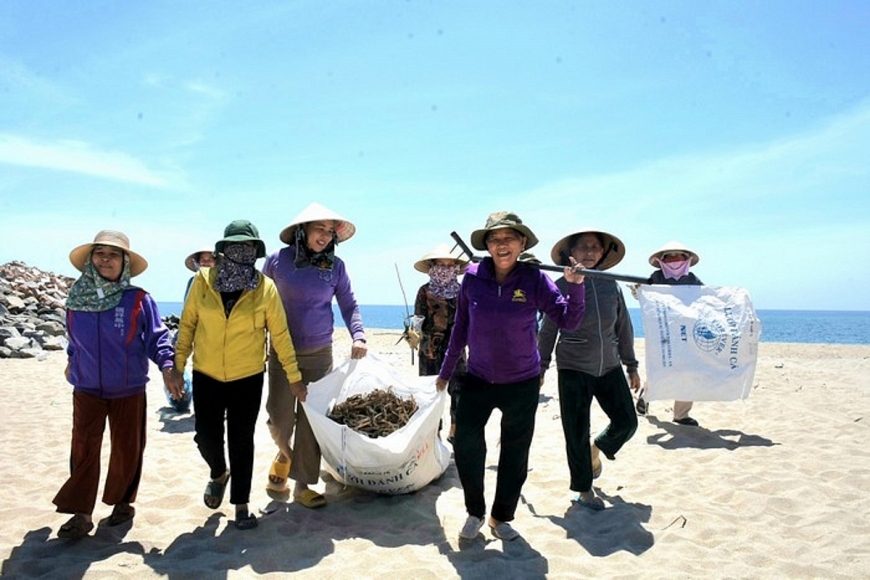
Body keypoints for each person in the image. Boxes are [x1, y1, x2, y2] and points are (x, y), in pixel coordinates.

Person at [436, 211, 586, 542]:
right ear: (487, 245)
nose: (501, 244)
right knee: (467, 446)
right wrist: (445, 373)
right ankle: (474, 512)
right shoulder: (472, 278)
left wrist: (575, 288)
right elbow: (460, 327)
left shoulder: (534, 279)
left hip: (522, 381)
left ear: (521, 243)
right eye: (495, 239)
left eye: (508, 238)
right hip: (478, 378)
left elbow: (567, 320)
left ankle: (500, 517)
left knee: (515, 454)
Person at [174, 220, 304, 530]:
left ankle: (241, 503)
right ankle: (219, 472)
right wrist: (178, 366)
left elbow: (280, 335)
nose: (241, 252)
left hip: (247, 376)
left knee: (241, 440)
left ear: (255, 252)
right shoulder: (202, 282)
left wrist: (294, 376)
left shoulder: (265, 288)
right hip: (206, 373)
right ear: (222, 250)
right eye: (235, 247)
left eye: (247, 247)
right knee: (206, 436)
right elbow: (187, 325)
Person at [54, 230, 183, 540]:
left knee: (127, 448)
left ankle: (122, 503)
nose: (106, 259)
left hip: (128, 387)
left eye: (113, 254)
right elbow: (74, 340)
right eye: (100, 253)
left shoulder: (138, 299)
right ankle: (81, 513)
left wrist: (167, 366)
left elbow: (157, 337)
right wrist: (72, 359)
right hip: (86, 388)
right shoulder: (75, 299)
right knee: (84, 448)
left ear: (124, 262)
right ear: (90, 259)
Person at [263, 202, 367, 508]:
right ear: (302, 230)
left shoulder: (336, 267)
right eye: (318, 228)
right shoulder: (276, 261)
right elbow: (258, 304)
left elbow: (349, 303)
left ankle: (303, 485)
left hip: (320, 353)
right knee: (279, 418)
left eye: (329, 230)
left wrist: (359, 335)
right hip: (282, 353)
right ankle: (284, 453)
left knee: (311, 421)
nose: (324, 236)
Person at [538, 229, 640, 511]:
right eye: (583, 247)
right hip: (573, 366)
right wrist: (541, 365)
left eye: (595, 247)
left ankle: (596, 451)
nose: (590, 252)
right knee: (576, 431)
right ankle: (583, 489)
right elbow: (547, 330)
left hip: (609, 366)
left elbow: (624, 327)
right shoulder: (559, 285)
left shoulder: (611, 286)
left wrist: (630, 365)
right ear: (571, 253)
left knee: (627, 423)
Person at [635, 241, 704, 426]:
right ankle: (646, 396)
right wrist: (638, 291)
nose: (675, 260)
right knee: (660, 367)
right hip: (663, 332)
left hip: (687, 333)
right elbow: (644, 296)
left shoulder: (693, 280)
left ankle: (681, 414)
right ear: (662, 260)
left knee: (689, 371)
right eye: (669, 256)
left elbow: (705, 302)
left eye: (679, 255)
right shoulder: (656, 278)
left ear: (686, 259)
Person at [412, 244, 469, 442]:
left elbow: (469, 320)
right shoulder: (424, 291)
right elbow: (418, 318)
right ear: (432, 266)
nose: (445, 269)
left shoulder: (462, 291)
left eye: (450, 265)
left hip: (457, 348)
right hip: (429, 349)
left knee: (459, 390)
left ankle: (455, 431)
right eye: (441, 264)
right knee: (430, 392)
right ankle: (433, 432)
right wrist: (413, 334)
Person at [162, 247, 216, 415]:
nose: (206, 262)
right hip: (198, 336)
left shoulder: (223, 282)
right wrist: (179, 338)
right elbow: (187, 313)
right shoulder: (192, 283)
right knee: (201, 371)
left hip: (218, 336)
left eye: (210, 259)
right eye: (203, 259)